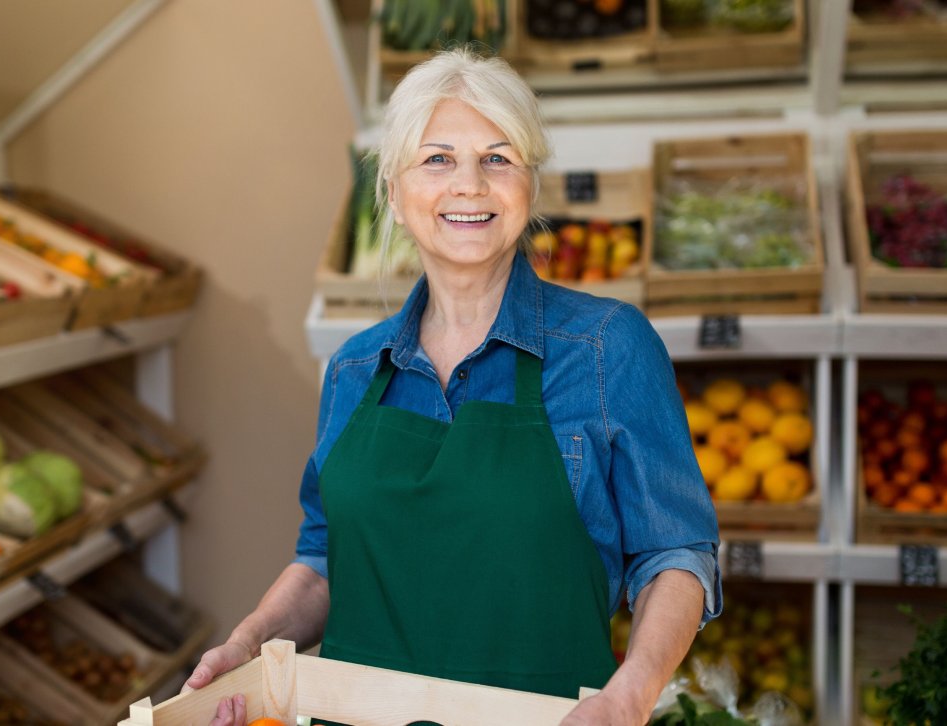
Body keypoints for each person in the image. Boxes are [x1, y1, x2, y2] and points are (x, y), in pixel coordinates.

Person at [184, 48, 721, 726]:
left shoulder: (608, 348)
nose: (469, 184)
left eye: (497, 158)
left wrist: (629, 695)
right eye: (438, 159)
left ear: (528, 186)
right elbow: (325, 560)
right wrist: (251, 642)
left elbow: (675, 552)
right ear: (394, 196)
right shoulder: (354, 369)